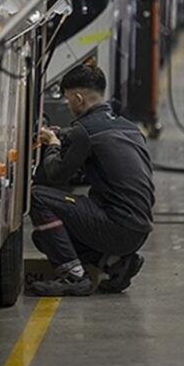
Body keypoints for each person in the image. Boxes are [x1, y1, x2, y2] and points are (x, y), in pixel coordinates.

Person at [27, 64, 155, 296]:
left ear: (78, 98)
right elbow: (93, 140)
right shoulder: (129, 127)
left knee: (37, 197)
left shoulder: (83, 131)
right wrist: (64, 135)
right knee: (43, 238)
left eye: (68, 100)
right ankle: (115, 264)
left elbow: (56, 174)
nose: (68, 105)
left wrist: (54, 144)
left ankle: (74, 276)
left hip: (116, 225)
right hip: (139, 228)